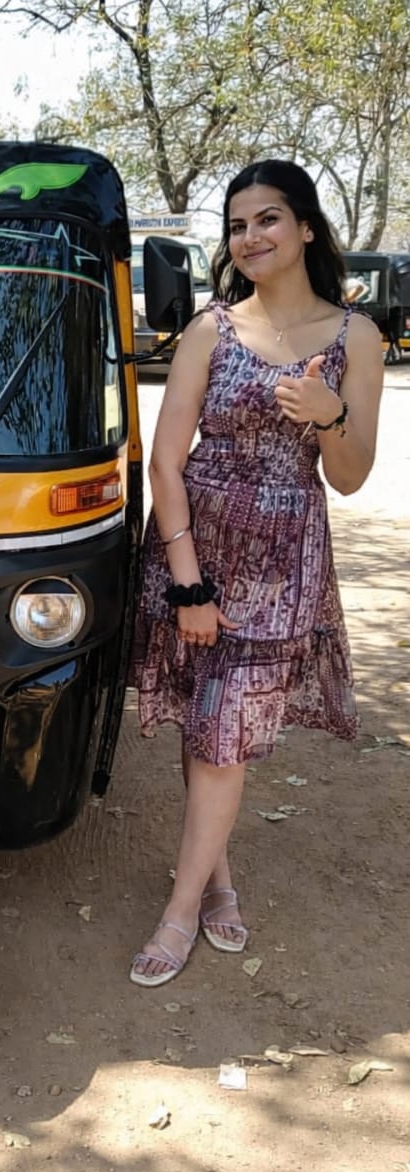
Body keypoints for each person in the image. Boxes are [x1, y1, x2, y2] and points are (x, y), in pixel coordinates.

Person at [129, 159, 383, 988]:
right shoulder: (212, 328)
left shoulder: (358, 338)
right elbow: (166, 464)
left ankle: (177, 910)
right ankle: (218, 880)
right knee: (208, 725)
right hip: (195, 546)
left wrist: (330, 414)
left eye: (267, 219)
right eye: (237, 226)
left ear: (307, 227)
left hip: (283, 560)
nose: (250, 238)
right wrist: (188, 584)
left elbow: (347, 477)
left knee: (223, 735)